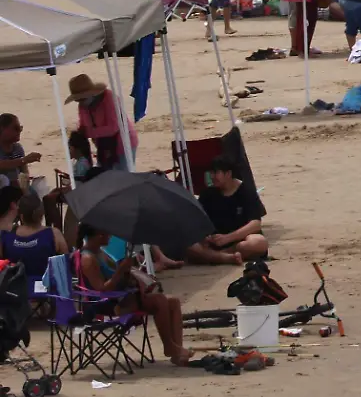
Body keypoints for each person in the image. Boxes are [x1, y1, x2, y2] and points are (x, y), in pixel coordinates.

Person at [75, 224, 192, 366]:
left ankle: (176, 352)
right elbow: (101, 290)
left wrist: (129, 273)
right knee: (159, 300)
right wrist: (120, 272)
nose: (110, 236)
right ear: (99, 235)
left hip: (121, 297)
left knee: (173, 302)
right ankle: (169, 346)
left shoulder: (100, 252)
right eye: (108, 233)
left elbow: (114, 278)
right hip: (106, 305)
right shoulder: (88, 259)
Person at [188, 157, 270, 264]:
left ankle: (221, 255)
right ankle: (227, 258)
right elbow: (198, 219)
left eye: (216, 173)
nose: (212, 177)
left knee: (258, 242)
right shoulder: (208, 194)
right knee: (190, 245)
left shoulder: (246, 191)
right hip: (215, 241)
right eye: (211, 173)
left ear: (228, 174)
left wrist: (228, 238)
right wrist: (205, 236)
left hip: (239, 240)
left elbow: (255, 223)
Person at [68, 72, 133, 173]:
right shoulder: (83, 106)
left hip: (123, 143)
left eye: (82, 99)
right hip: (103, 147)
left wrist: (89, 132)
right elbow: (84, 124)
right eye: (78, 100)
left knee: (123, 176)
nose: (80, 103)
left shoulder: (109, 98)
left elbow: (114, 127)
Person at [0, 190, 64, 282]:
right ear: (42, 214)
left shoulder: (6, 236)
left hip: (14, 292)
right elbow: (65, 267)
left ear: (21, 215)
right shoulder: (54, 234)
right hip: (46, 290)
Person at [0, 112, 39, 191]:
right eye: (16, 128)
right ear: (2, 129)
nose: (20, 131)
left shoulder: (18, 148)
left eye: (20, 128)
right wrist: (24, 160)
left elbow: (24, 171)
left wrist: (24, 181)